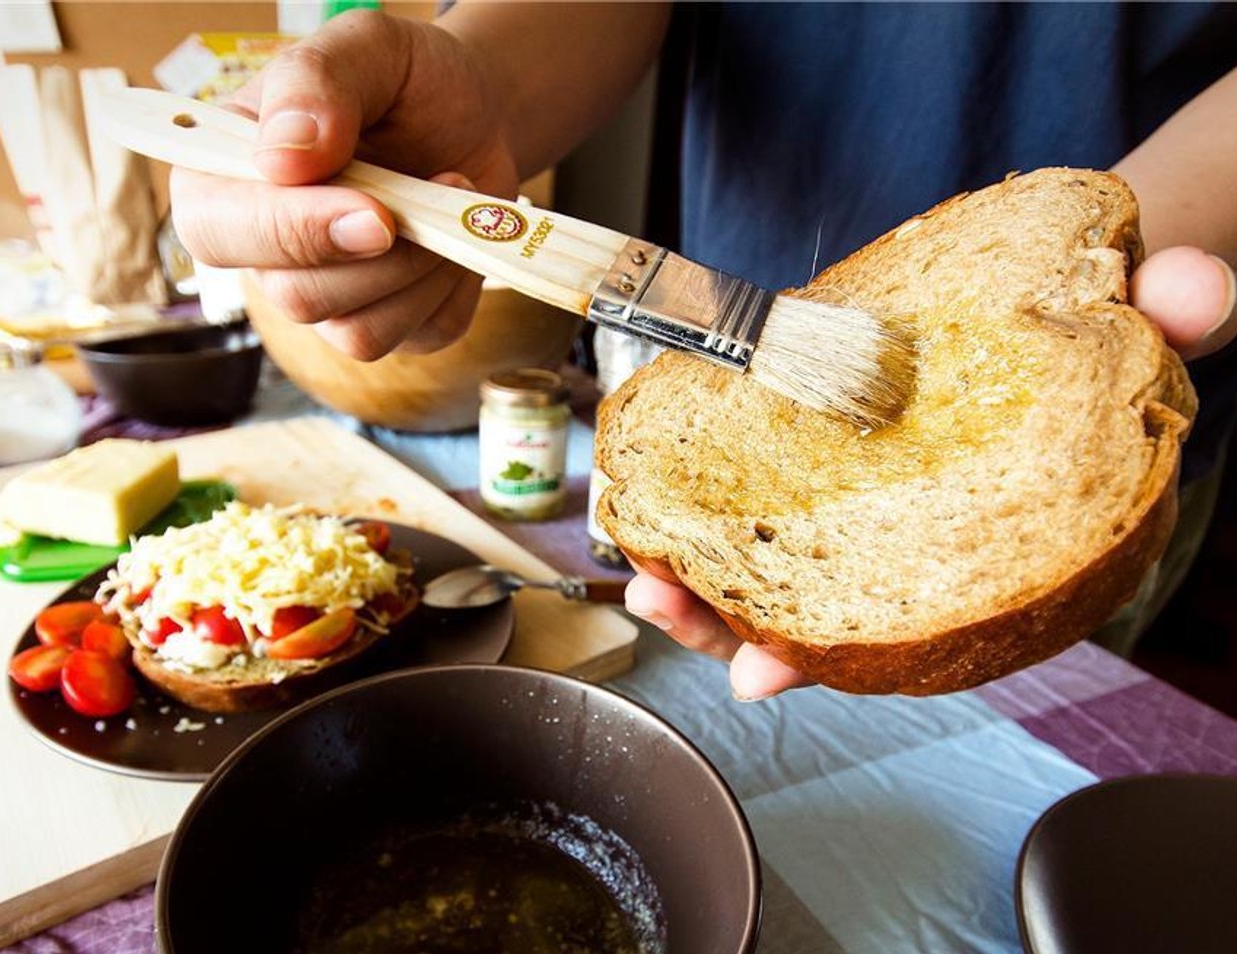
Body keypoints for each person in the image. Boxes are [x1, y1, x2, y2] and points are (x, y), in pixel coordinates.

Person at [170, 2, 1237, 701]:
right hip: (733, 333)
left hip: (1155, 337)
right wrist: (476, 84)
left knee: (1059, 784)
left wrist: (1152, 231)